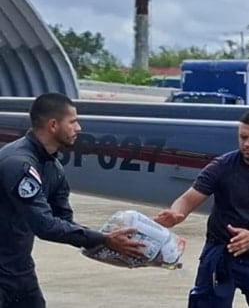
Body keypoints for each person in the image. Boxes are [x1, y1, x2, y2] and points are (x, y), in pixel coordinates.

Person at [0, 93, 144, 307]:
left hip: (18, 269)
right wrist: (103, 239)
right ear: (53, 125)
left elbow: (64, 222)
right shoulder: (18, 164)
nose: (79, 128)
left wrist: (114, 244)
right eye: (73, 121)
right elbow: (45, 226)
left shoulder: (52, 167)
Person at [154, 109, 249, 308]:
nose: (247, 143)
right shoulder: (222, 166)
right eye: (243, 137)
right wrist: (176, 213)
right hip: (220, 251)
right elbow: (188, 199)